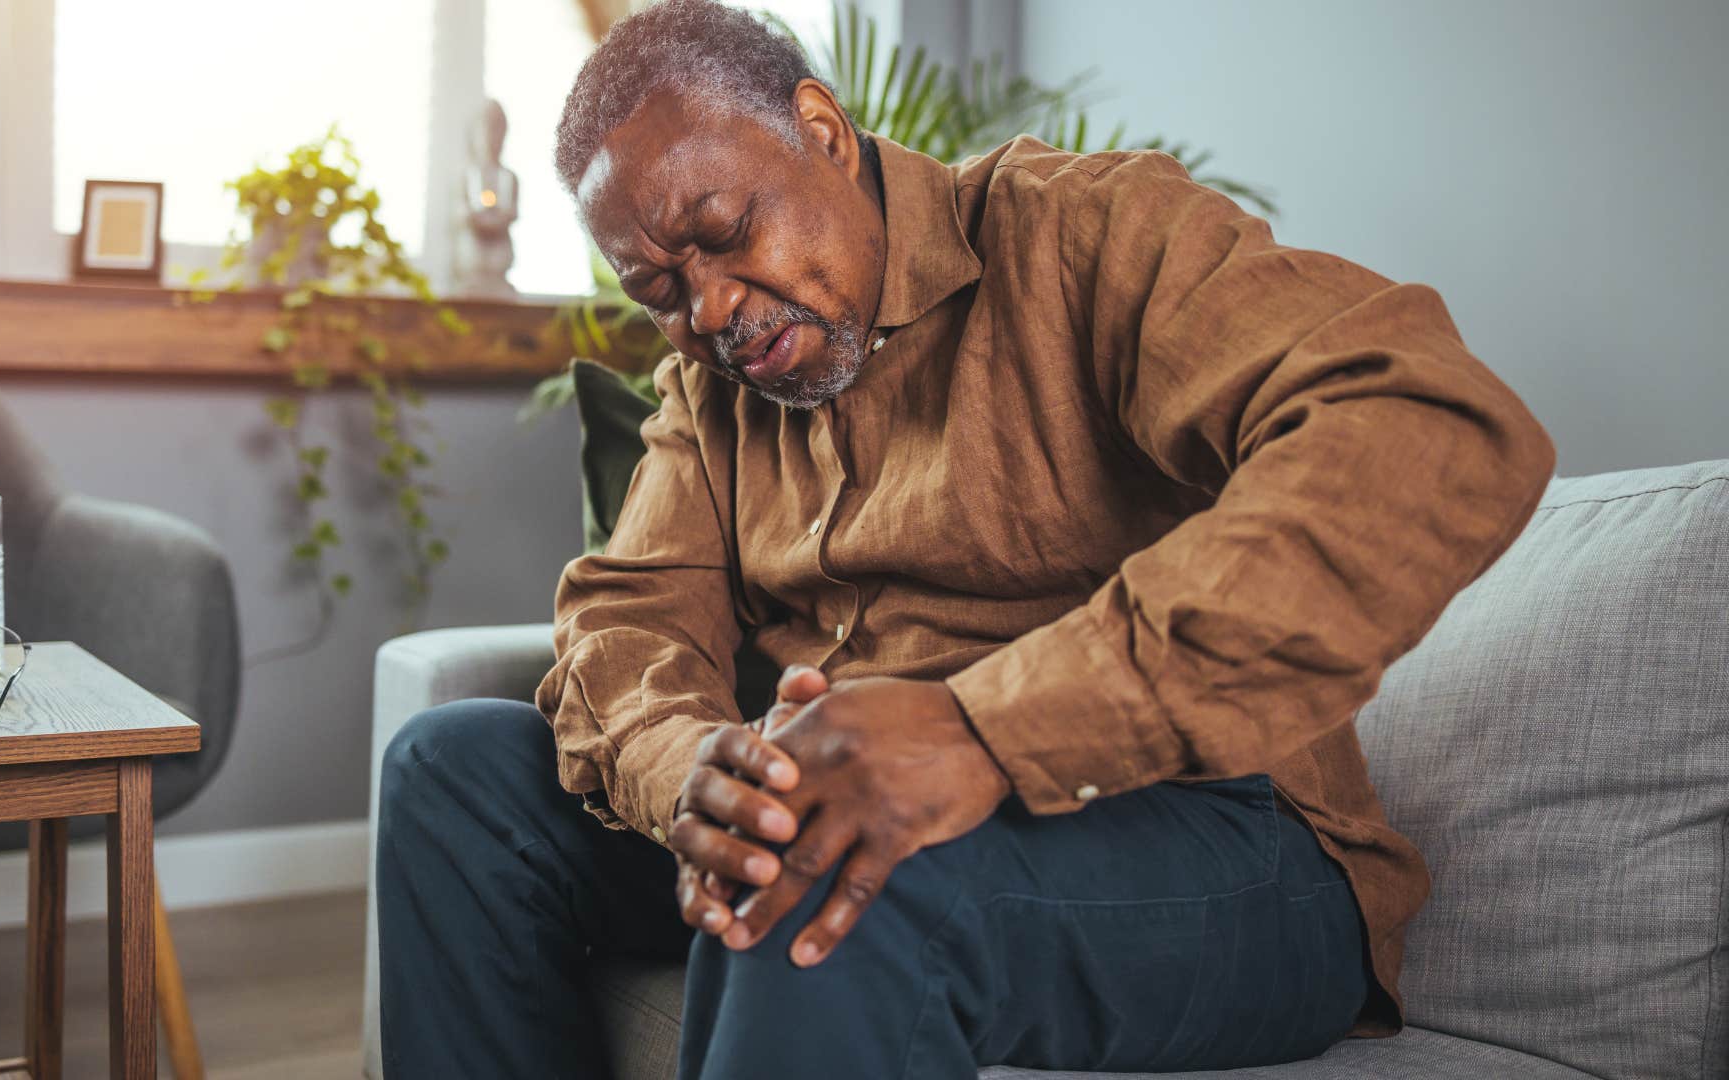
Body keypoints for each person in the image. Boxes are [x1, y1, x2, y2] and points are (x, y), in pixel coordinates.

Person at [377, 1, 1556, 1076]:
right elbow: (625, 621)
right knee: (452, 775)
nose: (713, 308)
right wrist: (696, 773)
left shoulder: (1088, 236)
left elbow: (1428, 422)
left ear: (823, 131)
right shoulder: (714, 392)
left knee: (836, 859)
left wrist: (983, 729)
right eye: (662, 290)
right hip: (862, 812)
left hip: (1219, 840)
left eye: (726, 228)